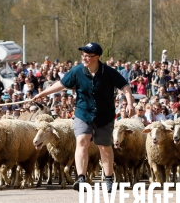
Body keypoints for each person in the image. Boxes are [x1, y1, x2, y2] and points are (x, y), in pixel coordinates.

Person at [33, 42, 133, 193]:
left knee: (104, 147)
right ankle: (81, 178)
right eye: (83, 55)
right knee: (82, 141)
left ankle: (108, 178)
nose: (84, 58)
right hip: (83, 112)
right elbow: (61, 84)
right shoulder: (77, 71)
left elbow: (125, 86)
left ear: (97, 57)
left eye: (88, 56)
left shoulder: (109, 72)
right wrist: (43, 94)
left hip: (104, 114)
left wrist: (130, 103)